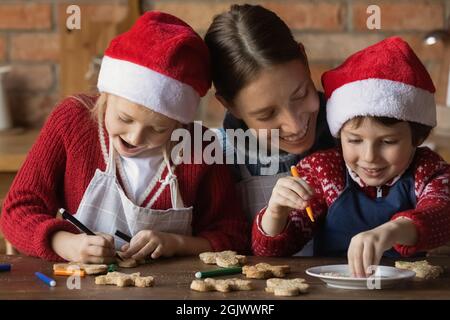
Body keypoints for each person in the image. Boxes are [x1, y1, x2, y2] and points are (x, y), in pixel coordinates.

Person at [0, 11, 248, 263]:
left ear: (179, 123)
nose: (136, 137)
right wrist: (65, 244)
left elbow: (234, 235)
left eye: (158, 129)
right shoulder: (73, 120)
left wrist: (177, 243)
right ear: (107, 95)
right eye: (125, 119)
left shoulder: (199, 146)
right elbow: (17, 212)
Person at [252, 37, 450, 277]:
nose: (369, 157)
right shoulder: (323, 171)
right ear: (339, 135)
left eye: (388, 142)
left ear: (417, 137)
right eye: (355, 140)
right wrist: (275, 213)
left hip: (411, 290)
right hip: (330, 289)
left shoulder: (429, 170)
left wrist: (393, 231)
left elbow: (441, 213)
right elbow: (272, 250)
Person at [204, 5, 334, 256]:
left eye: (301, 95)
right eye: (267, 114)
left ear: (304, 61)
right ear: (229, 105)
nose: (295, 126)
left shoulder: (355, 134)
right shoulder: (218, 158)